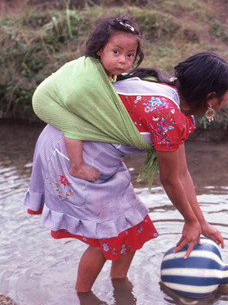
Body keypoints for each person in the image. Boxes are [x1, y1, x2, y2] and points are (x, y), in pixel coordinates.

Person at [25, 51, 228, 293]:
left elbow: (182, 173)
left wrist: (201, 222)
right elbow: (169, 179)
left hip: (92, 151)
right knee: (106, 236)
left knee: (132, 226)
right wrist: (189, 221)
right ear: (211, 97)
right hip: (72, 151)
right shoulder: (168, 115)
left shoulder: (171, 98)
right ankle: (85, 302)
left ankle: (120, 290)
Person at [32, 16, 144, 182]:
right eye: (116, 52)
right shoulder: (89, 76)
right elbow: (74, 98)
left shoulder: (105, 69)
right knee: (75, 126)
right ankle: (77, 166)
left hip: (61, 94)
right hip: (47, 101)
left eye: (129, 55)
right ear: (99, 50)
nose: (122, 60)